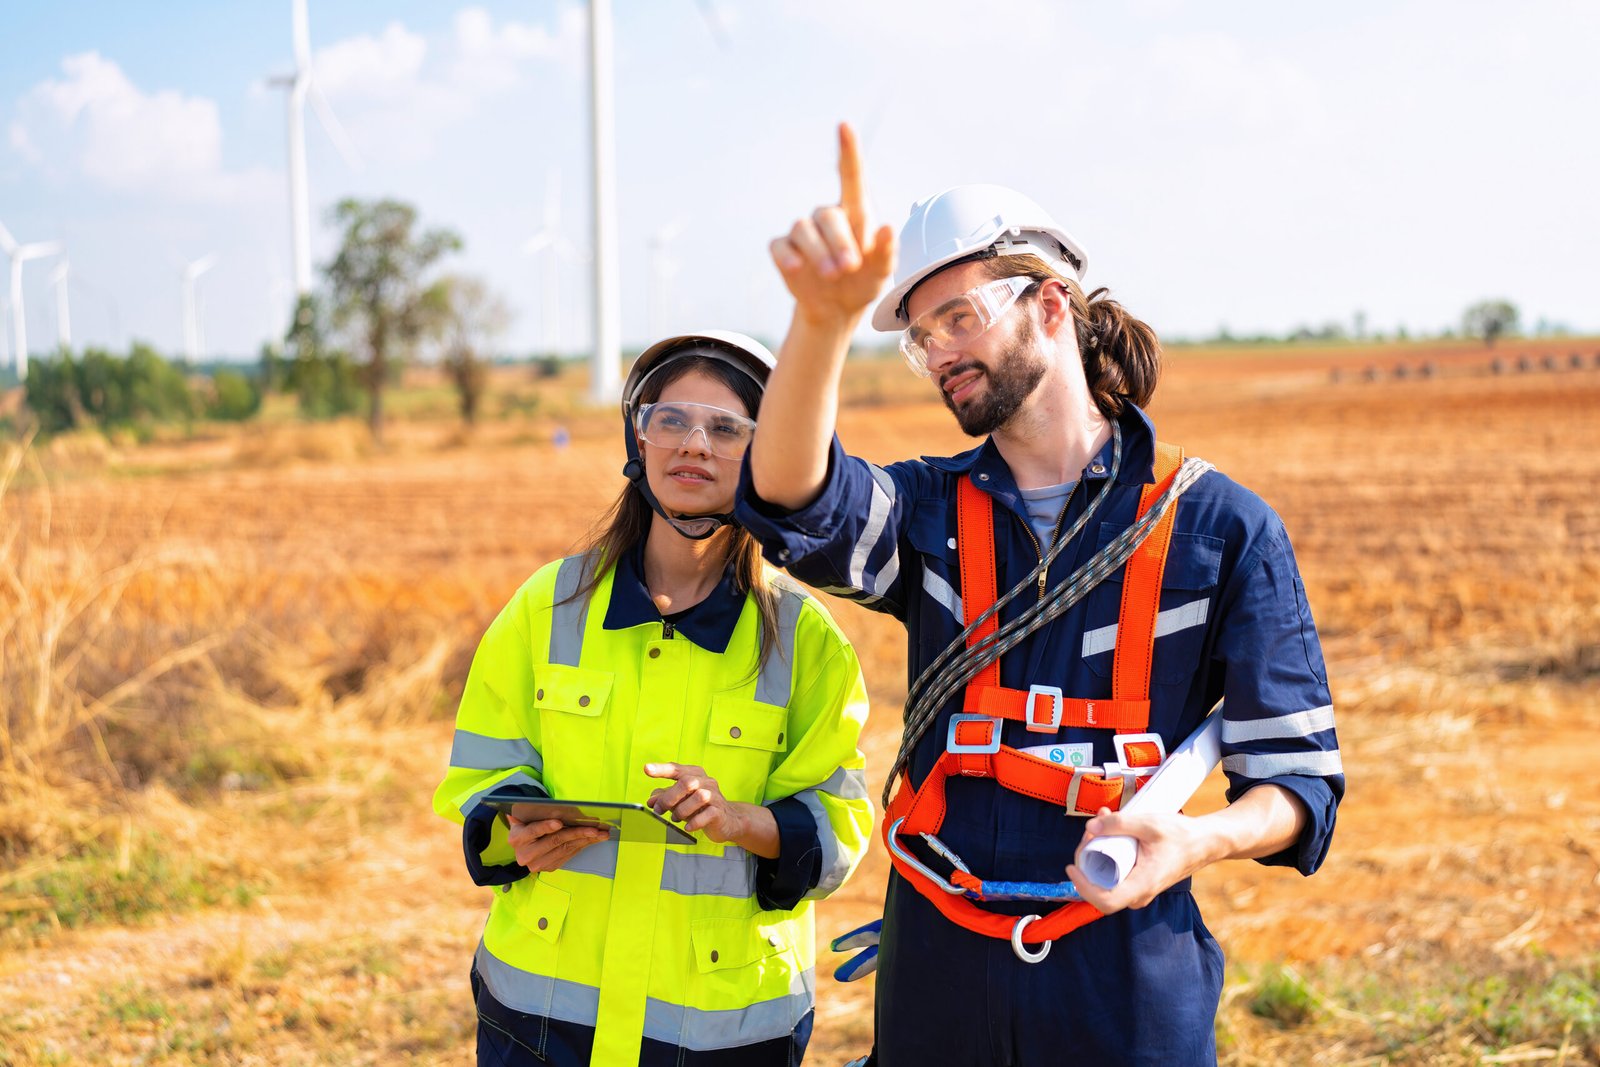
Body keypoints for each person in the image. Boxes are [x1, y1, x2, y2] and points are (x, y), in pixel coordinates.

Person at [735, 125, 1344, 1065]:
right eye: (921, 337)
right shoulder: (927, 511)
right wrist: (820, 324)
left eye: (959, 317)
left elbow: (1297, 784)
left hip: (1124, 981)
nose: (939, 351)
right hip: (939, 976)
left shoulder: (1222, 527)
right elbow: (790, 497)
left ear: (1051, 304)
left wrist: (1197, 841)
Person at [434, 329, 874, 1067]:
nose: (694, 444)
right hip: (543, 1017)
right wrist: (514, 827)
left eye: (726, 428)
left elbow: (839, 827)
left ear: (767, 454)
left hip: (725, 1028)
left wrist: (741, 820)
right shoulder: (547, 605)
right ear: (639, 438)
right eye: (671, 419)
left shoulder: (806, 642)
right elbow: (481, 776)